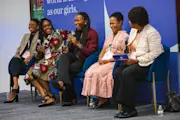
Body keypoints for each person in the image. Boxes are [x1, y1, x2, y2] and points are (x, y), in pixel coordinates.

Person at [113, 6, 164, 118]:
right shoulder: (133, 30)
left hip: (146, 64)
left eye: (131, 20)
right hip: (132, 61)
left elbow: (156, 53)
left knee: (127, 73)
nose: (129, 22)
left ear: (138, 22)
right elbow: (132, 48)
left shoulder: (152, 33)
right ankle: (119, 103)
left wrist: (137, 60)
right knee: (118, 71)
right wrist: (126, 52)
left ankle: (129, 109)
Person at [81, 12, 128, 109]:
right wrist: (100, 59)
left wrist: (108, 61)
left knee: (99, 73)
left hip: (114, 62)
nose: (111, 26)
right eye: (110, 23)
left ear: (120, 23)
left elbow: (124, 55)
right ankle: (100, 97)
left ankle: (104, 98)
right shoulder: (109, 37)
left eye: (113, 23)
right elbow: (103, 50)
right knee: (90, 71)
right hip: (104, 61)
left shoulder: (125, 36)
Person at [52, 12, 98, 106]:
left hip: (84, 60)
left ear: (85, 22)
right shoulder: (76, 32)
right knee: (63, 57)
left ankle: (67, 94)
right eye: (75, 21)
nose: (75, 23)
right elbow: (72, 52)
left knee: (64, 68)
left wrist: (78, 44)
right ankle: (62, 83)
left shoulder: (92, 33)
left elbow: (91, 52)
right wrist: (69, 46)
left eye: (78, 20)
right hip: (74, 58)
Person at [24, 18, 67, 107]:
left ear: (51, 25)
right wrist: (40, 51)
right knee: (29, 74)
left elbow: (72, 36)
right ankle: (47, 96)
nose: (47, 27)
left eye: (48, 25)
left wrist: (68, 48)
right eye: (44, 26)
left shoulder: (59, 32)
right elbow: (39, 56)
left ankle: (49, 96)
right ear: (42, 28)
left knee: (37, 70)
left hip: (57, 60)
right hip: (46, 60)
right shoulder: (42, 39)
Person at [4, 19, 40, 103]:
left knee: (15, 62)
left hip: (31, 60)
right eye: (29, 24)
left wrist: (31, 56)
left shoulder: (40, 36)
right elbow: (20, 47)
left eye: (32, 24)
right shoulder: (26, 36)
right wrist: (17, 53)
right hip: (21, 58)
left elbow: (40, 50)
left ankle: (15, 88)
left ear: (38, 26)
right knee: (14, 59)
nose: (29, 26)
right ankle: (16, 84)